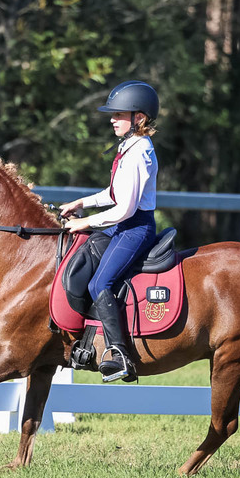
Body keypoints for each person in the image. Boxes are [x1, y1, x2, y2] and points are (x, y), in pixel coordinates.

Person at [60, 80, 160, 382]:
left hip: (134, 228)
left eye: (119, 114)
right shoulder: (129, 147)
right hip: (122, 224)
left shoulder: (140, 150)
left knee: (100, 283)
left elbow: (125, 208)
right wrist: (82, 202)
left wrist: (84, 222)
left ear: (138, 118)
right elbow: (114, 192)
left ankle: (121, 355)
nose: (112, 119)